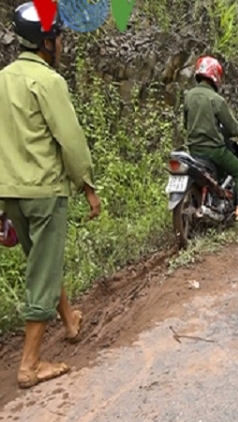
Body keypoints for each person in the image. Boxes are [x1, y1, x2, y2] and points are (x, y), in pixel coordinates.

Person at [0, 2, 101, 389]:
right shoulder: (49, 81)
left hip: (11, 193)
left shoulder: (5, 78)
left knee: (42, 260)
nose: (62, 44)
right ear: (46, 42)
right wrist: (88, 186)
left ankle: (70, 319)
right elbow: (70, 141)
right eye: (59, 37)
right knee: (42, 269)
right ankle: (29, 365)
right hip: (44, 190)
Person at [183, 56, 238, 223]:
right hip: (213, 150)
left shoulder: (188, 96)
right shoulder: (216, 99)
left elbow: (186, 124)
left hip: (194, 150)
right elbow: (231, 127)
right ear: (215, 76)